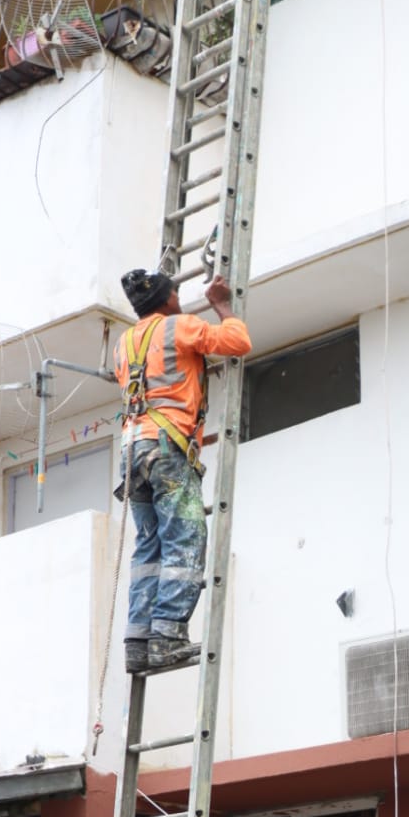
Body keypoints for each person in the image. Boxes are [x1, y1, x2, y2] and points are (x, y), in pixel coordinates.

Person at [114, 268, 252, 675]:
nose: (178, 296)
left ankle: (138, 641)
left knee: (149, 546)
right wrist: (222, 305)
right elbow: (238, 342)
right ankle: (168, 637)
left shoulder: (124, 343)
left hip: (131, 450)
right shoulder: (180, 327)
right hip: (166, 447)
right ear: (165, 299)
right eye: (174, 292)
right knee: (185, 537)